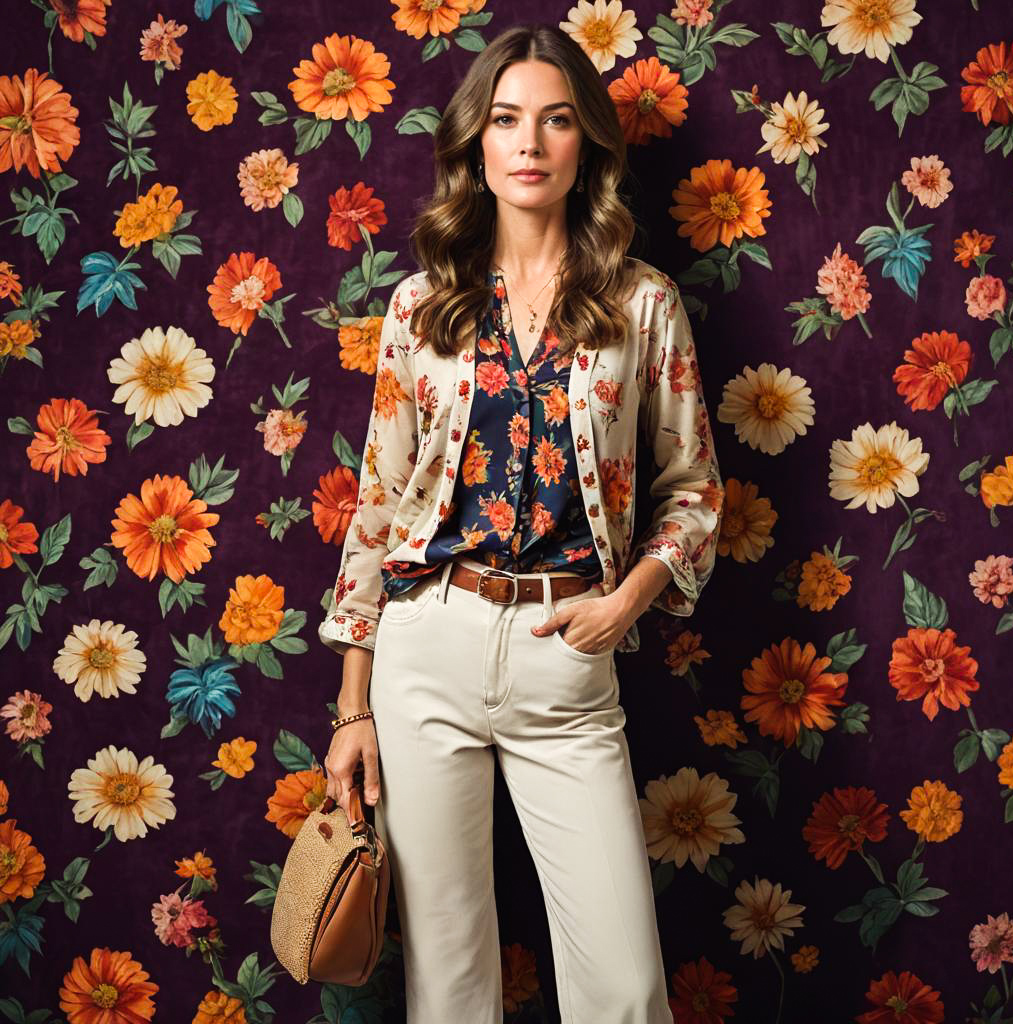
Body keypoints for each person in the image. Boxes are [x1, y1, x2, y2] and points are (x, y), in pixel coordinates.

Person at [319, 21, 723, 1024]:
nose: (529, 143)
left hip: (567, 654)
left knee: (624, 992)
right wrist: (352, 708)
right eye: (505, 121)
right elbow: (378, 503)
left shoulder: (642, 305)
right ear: (477, 144)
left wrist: (624, 605)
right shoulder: (421, 305)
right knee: (450, 987)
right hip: (427, 650)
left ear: (585, 143)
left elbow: (694, 487)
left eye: (553, 121)